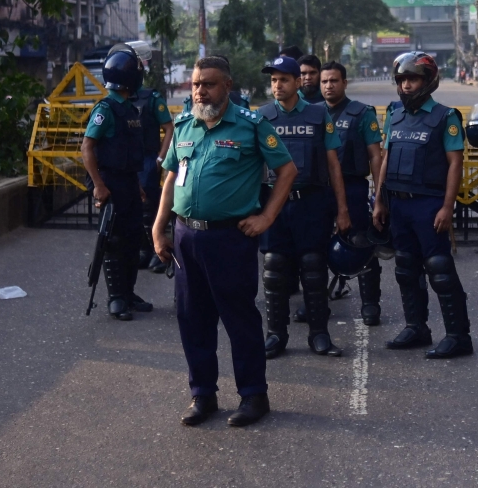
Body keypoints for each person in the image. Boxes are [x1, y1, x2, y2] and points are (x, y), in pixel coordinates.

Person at [152, 56, 295, 427]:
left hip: (229, 238)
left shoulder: (250, 126)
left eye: (209, 84)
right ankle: (203, 395)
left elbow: (287, 170)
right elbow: (170, 179)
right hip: (186, 237)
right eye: (197, 84)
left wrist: (266, 217)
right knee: (192, 318)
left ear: (227, 87)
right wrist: (159, 227)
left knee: (238, 318)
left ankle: (253, 396)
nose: (200, 90)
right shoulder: (184, 125)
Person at [372, 52, 472, 358]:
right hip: (399, 205)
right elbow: (386, 158)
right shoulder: (395, 114)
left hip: (429, 205)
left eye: (412, 79)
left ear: (428, 81)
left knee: (439, 270)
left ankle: (458, 336)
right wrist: (379, 200)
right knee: (405, 268)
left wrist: (447, 206)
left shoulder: (445, 117)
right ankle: (416, 327)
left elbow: (455, 164)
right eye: (401, 80)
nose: (405, 86)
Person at [258, 55, 352, 359]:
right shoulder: (261, 117)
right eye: (273, 80)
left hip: (311, 204)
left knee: (313, 270)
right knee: (274, 271)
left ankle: (319, 335)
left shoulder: (318, 115)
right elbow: (251, 167)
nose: (277, 85)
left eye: (283, 79)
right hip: (274, 205)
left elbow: (333, 165)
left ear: (298, 82)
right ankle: (275, 335)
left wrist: (342, 209)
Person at [81, 47, 153, 321]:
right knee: (114, 240)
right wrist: (99, 185)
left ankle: (129, 293)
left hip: (129, 182)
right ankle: (115, 298)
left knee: (134, 239)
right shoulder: (106, 109)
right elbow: (87, 148)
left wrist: (137, 185)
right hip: (111, 183)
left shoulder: (129, 108)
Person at [319, 61, 386, 324]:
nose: (328, 86)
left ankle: (370, 303)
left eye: (334, 80)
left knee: (361, 244)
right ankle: (318, 301)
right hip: (320, 190)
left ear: (344, 83)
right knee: (317, 247)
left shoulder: (361, 113)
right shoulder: (312, 113)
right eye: (324, 81)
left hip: (353, 187)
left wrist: (379, 195)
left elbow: (375, 156)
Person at [134, 81, 174, 273]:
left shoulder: (151, 98)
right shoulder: (118, 97)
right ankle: (142, 250)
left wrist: (160, 157)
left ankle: (155, 251)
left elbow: (169, 127)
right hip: (128, 159)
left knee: (148, 207)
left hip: (147, 158)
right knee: (132, 208)